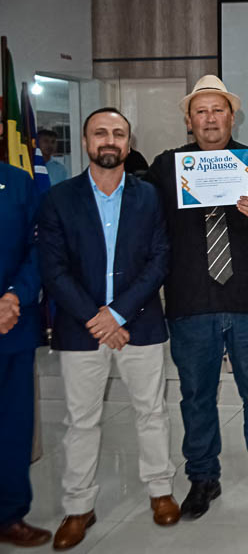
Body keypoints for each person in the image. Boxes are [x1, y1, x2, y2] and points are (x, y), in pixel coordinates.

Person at [145, 75, 248, 517]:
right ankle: (202, 480)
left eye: (218, 110)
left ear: (232, 116)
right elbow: (146, 228)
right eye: (201, 111)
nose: (210, 118)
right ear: (189, 120)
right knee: (196, 396)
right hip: (191, 304)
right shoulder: (166, 167)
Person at [38, 108, 178, 549]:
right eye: (101, 133)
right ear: (85, 142)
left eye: (118, 133)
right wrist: (96, 318)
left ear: (129, 142)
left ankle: (160, 491)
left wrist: (117, 314)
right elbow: (53, 268)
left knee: (152, 413)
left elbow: (159, 259)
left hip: (139, 323)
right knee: (81, 421)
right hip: (82, 329)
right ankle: (78, 507)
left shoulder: (149, 196)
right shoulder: (58, 198)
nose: (109, 140)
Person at [0, 162, 51, 548]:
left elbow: (38, 247)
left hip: (11, 325)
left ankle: (9, 515)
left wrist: (15, 294)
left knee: (13, 427)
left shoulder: (18, 182)